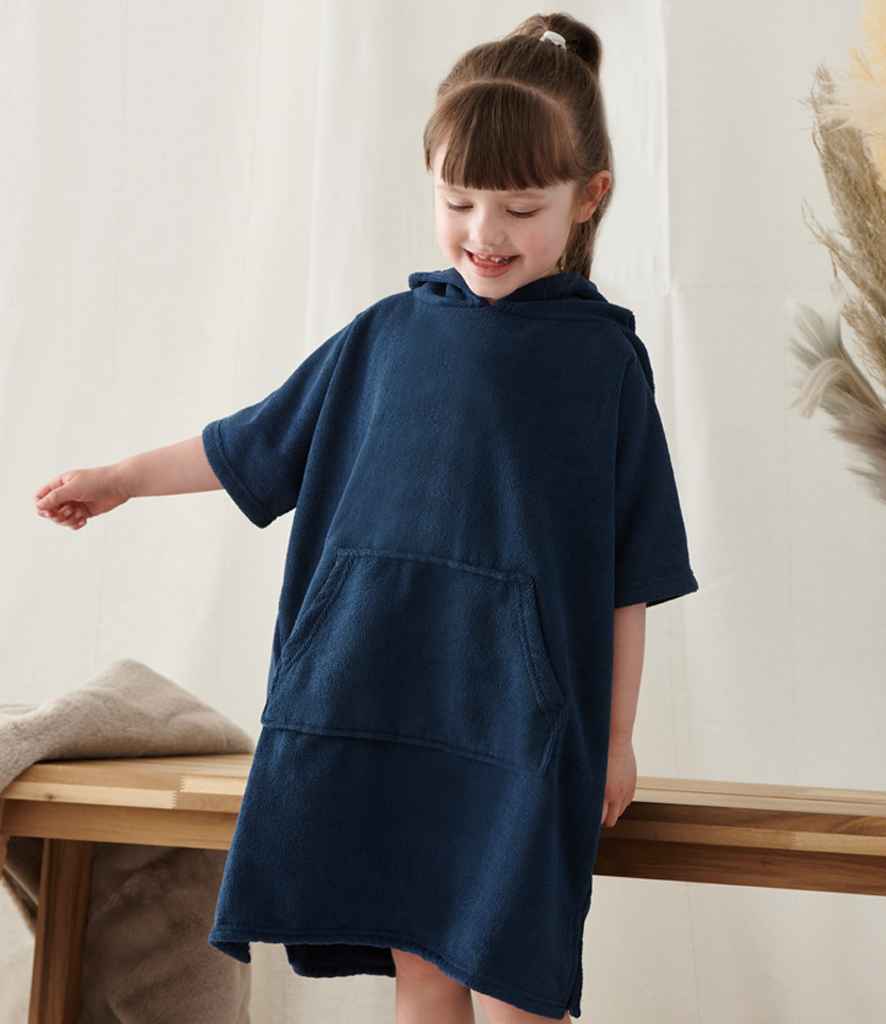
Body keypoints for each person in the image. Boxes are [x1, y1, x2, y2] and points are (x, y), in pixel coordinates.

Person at [32, 12, 698, 1023]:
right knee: (420, 971)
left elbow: (629, 571)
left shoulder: (603, 364)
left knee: (520, 988)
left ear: (589, 196)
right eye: (458, 200)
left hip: (518, 736)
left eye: (520, 207)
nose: (484, 233)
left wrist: (614, 740)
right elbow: (251, 442)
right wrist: (121, 477)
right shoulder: (384, 336)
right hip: (381, 707)